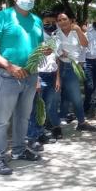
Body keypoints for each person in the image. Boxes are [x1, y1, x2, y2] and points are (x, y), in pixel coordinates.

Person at [0, 0, 44, 175]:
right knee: (2, 119)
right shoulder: (1, 17)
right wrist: (9, 66)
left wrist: (45, 52)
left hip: (30, 76)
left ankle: (18, 150)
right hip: (8, 76)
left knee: (23, 117)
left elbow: (38, 47)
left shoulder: (36, 20)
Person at [55, 10, 96, 132]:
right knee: (71, 95)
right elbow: (54, 50)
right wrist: (60, 53)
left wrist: (79, 30)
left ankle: (68, 119)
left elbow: (85, 44)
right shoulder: (57, 34)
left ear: (71, 20)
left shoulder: (76, 32)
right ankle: (79, 122)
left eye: (64, 19)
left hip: (74, 67)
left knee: (71, 95)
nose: (62, 22)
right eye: (59, 20)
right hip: (61, 66)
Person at [26, 11, 61, 150]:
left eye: (53, 22)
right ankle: (31, 138)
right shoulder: (36, 38)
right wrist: (36, 79)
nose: (50, 25)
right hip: (39, 75)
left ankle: (40, 133)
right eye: (47, 22)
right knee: (35, 109)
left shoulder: (56, 38)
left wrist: (57, 78)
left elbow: (57, 59)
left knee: (45, 108)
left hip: (52, 75)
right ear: (41, 23)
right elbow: (32, 59)